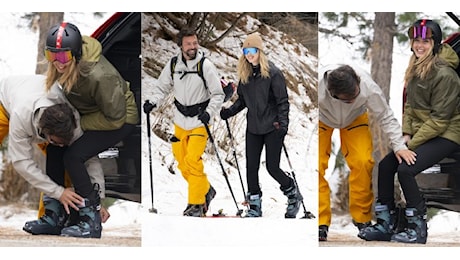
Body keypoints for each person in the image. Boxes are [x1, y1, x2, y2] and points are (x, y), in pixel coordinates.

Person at [358, 19, 460, 244]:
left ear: (435, 42)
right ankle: (386, 223)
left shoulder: (446, 75)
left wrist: (408, 147)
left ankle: (418, 227)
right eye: (416, 40)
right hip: (426, 131)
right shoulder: (416, 67)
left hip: (448, 134)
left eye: (425, 41)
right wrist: (404, 136)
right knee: (386, 165)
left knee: (405, 170)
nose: (419, 45)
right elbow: (412, 108)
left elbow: (440, 120)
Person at [39, 21, 138, 238]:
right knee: (55, 148)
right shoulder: (64, 66)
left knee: (74, 156)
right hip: (93, 115)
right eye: (51, 55)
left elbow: (116, 117)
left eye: (63, 56)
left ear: (74, 54)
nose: (57, 62)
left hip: (120, 119)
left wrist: (79, 124)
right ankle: (56, 215)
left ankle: (90, 219)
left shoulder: (100, 75)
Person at [318, 64, 415, 241]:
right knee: (317, 166)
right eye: (349, 99)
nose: (354, 99)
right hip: (322, 119)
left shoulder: (367, 86)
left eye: (356, 95)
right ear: (333, 95)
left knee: (363, 161)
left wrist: (399, 146)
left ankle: (362, 219)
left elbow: (385, 116)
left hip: (355, 118)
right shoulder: (318, 87)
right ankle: (320, 222)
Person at [0, 74, 106, 235]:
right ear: (45, 134)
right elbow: (21, 162)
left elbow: (89, 157)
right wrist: (58, 192)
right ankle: (55, 210)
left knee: (69, 160)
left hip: (43, 103)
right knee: (56, 184)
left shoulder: (72, 120)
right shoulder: (20, 117)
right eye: (57, 142)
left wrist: (97, 201)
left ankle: (54, 218)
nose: (61, 145)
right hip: (5, 104)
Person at [219, 32, 302, 218]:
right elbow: (242, 100)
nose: (249, 54)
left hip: (273, 127)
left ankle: (293, 194)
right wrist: (229, 112)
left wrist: (283, 125)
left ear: (260, 51)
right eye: (246, 51)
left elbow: (283, 101)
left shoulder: (273, 74)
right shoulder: (246, 75)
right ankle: (254, 204)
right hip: (254, 128)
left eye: (253, 50)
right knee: (251, 166)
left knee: (272, 167)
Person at [144, 27, 224, 217]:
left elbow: (218, 94)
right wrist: (152, 102)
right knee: (182, 163)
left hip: (199, 121)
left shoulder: (205, 66)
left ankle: (196, 204)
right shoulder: (173, 65)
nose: (192, 47)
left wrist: (209, 113)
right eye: (188, 44)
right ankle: (206, 190)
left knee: (192, 161)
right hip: (180, 121)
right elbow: (161, 87)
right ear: (180, 45)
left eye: (195, 43)